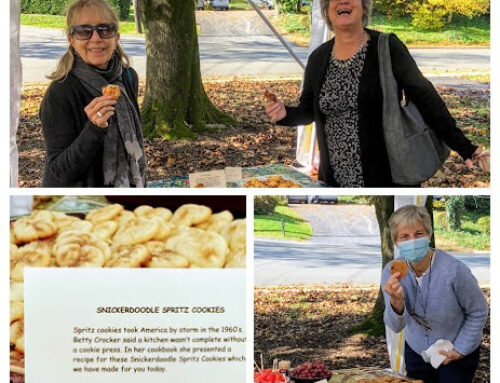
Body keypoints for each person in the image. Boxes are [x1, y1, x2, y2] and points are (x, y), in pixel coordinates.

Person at [264, 0, 489, 187]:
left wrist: (467, 149)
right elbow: (307, 111)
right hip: (334, 180)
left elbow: (426, 98)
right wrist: (285, 114)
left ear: (363, 6)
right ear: (326, 9)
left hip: (386, 176)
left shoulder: (387, 47)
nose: (342, 1)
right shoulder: (318, 58)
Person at [40, 0, 146, 187]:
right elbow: (59, 172)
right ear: (71, 40)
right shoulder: (60, 92)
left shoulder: (128, 78)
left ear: (117, 37)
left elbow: (133, 143)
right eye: (84, 31)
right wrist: (94, 128)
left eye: (105, 29)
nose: (96, 38)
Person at [381, 205, 488, 383]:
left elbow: (478, 311)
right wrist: (396, 304)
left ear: (429, 235)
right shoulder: (391, 272)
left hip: (454, 351)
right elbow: (395, 326)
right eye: (405, 236)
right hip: (417, 351)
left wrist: (460, 349)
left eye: (419, 234)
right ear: (396, 242)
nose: (412, 241)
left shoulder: (454, 271)